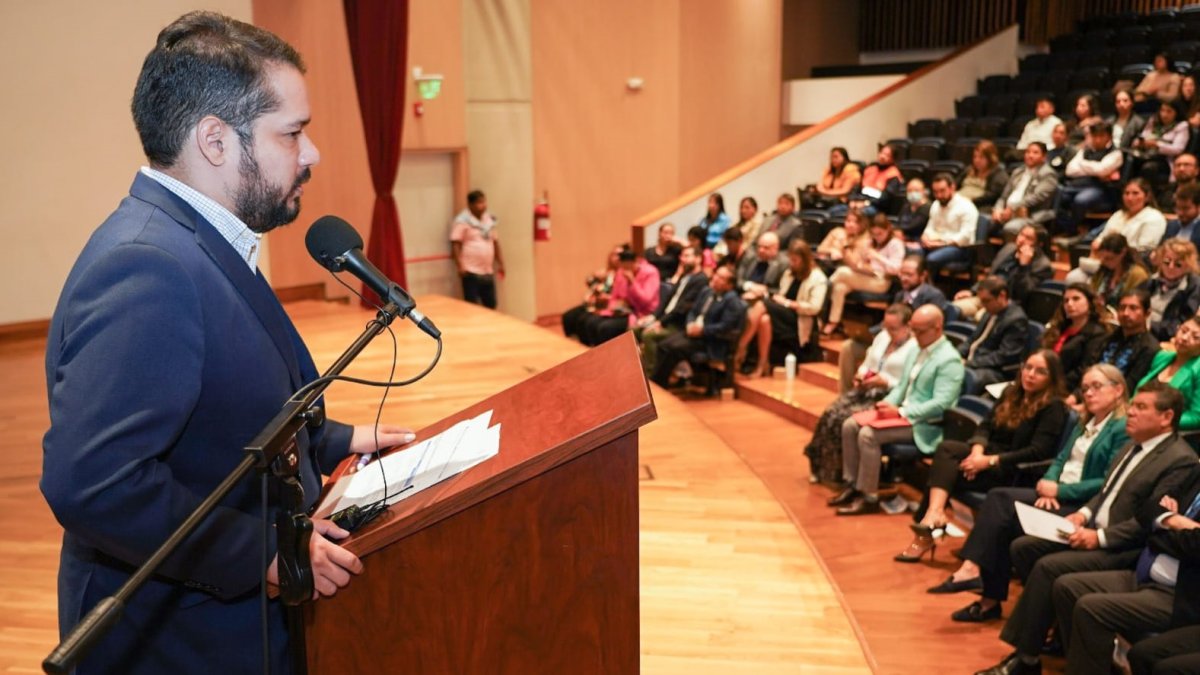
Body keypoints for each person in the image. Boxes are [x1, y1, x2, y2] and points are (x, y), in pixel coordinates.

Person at [40, 12, 417, 674]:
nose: (312, 153)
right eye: (293, 132)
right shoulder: (147, 266)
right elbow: (95, 482)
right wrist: (262, 552)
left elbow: (224, 409)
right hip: (180, 647)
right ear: (215, 140)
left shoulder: (198, 238)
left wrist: (338, 441)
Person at [974, 381, 1197, 675]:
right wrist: (1082, 514)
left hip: (1123, 546)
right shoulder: (1133, 444)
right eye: (1133, 405)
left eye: (1141, 408)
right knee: (1024, 547)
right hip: (1099, 528)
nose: (1130, 412)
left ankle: (1026, 659)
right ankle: (1054, 638)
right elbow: (1108, 493)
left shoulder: (1179, 459)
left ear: (1166, 417)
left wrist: (1100, 537)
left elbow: (1146, 520)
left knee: (1049, 569)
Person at [928, 366, 1128, 623]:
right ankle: (985, 595)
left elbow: (1108, 481)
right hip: (1054, 493)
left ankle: (981, 587)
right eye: (1085, 387)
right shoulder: (1086, 421)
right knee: (999, 506)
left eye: (1097, 386)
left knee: (1000, 503)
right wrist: (1048, 480)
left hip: (1082, 504)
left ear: (1118, 389)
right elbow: (1060, 459)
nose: (1089, 393)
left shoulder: (1121, 428)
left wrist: (1060, 489)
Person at [895, 350, 1068, 564]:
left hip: (1012, 468)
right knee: (947, 449)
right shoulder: (1011, 392)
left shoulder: (1054, 407)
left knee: (943, 475)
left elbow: (1037, 451)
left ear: (1052, 377)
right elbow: (985, 426)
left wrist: (989, 461)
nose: (1030, 374)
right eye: (1028, 367)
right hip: (986, 455)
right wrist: (977, 451)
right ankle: (935, 513)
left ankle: (925, 533)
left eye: (1040, 371)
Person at [1059, 467, 1200, 675]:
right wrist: (1175, 521)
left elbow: (1194, 546)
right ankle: (1093, 663)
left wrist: (1160, 525)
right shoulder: (1196, 472)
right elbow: (1147, 509)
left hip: (1179, 594)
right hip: (1145, 573)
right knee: (1067, 587)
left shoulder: (1183, 458)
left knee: (1090, 608)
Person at [830, 305, 964, 515]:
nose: (915, 336)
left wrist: (901, 412)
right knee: (850, 424)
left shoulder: (949, 360)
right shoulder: (918, 349)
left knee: (868, 435)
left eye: (920, 331)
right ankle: (852, 485)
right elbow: (902, 387)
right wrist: (888, 405)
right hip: (903, 414)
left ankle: (868, 495)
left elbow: (942, 404)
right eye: (913, 330)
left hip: (925, 424)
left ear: (937, 328)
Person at [806, 304, 916, 483]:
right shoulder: (882, 337)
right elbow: (868, 362)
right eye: (886, 327)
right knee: (831, 412)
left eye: (894, 329)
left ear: (907, 327)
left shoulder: (914, 348)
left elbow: (907, 382)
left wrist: (885, 381)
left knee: (844, 418)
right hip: (867, 389)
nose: (888, 332)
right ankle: (821, 468)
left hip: (888, 396)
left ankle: (845, 474)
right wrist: (861, 374)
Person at [650, 266, 747, 388]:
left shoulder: (732, 301)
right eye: (716, 274)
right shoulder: (707, 291)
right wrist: (690, 324)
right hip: (693, 332)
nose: (716, 279)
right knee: (663, 345)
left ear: (729, 285)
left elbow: (725, 327)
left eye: (721, 278)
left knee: (671, 348)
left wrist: (702, 331)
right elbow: (693, 312)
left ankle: (658, 384)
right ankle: (659, 382)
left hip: (710, 340)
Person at [751, 239, 828, 373]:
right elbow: (782, 293)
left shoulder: (818, 278)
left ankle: (740, 348)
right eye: (790, 259)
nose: (792, 263)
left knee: (761, 305)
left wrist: (788, 303)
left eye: (795, 260)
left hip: (801, 318)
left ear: (804, 260)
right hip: (784, 314)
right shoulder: (788, 273)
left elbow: (814, 308)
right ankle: (763, 363)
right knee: (764, 320)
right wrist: (779, 300)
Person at [823, 214, 906, 336]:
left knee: (842, 273)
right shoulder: (870, 242)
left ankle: (821, 295)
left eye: (880, 234)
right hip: (865, 275)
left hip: (881, 281)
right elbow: (858, 263)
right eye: (874, 234)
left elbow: (896, 269)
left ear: (888, 230)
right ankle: (833, 322)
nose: (877, 238)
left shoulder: (896, 244)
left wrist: (877, 257)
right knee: (840, 287)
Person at [953, 223, 1053, 321]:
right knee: (953, 308)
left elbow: (1023, 294)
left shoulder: (1043, 266)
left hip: (1005, 305)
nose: (1021, 239)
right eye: (1021, 234)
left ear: (1039, 244)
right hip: (984, 297)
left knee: (981, 318)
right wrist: (973, 291)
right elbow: (991, 276)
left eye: (1028, 238)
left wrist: (1024, 266)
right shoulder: (1008, 249)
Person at [637, 246, 707, 374]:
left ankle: (651, 376)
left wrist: (660, 323)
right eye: (682, 256)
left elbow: (681, 309)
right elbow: (666, 302)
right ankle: (636, 369)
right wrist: (654, 317)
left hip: (677, 324)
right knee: (634, 329)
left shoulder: (701, 280)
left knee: (649, 336)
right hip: (666, 319)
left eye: (687, 256)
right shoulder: (684, 276)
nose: (683, 259)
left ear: (698, 258)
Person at [958, 277, 1031, 395]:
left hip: (998, 371)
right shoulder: (989, 312)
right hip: (978, 361)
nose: (983, 305)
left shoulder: (1016, 320)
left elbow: (1003, 356)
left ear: (1002, 296)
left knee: (964, 375)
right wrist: (956, 355)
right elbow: (973, 339)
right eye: (981, 300)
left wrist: (970, 363)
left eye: (986, 300)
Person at [1080, 288, 1161, 391]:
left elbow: (1130, 387)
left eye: (1133, 308)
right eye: (1122, 308)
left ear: (1147, 313)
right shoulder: (1107, 338)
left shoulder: (1149, 348)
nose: (1126, 313)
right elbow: (1088, 368)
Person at [579, 248, 660, 346]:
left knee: (604, 328)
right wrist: (613, 306)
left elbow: (645, 300)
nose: (624, 270)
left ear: (635, 262)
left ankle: (612, 355)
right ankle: (595, 353)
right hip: (622, 309)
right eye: (623, 267)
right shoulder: (621, 271)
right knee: (591, 322)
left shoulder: (651, 272)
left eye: (627, 267)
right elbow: (615, 295)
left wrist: (632, 281)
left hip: (641, 312)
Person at [1055, 121, 1123, 236]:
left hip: (1102, 190)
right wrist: (1093, 168)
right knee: (1058, 195)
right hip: (1079, 184)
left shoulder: (1116, 153)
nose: (1097, 139)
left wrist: (1082, 164)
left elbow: (1102, 170)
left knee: (1081, 200)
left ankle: (1073, 232)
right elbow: (1070, 170)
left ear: (1109, 137)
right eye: (1094, 136)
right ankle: (1070, 229)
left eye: (1101, 136)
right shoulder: (1085, 151)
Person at [1042, 283, 1111, 392]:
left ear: (1090, 303)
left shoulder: (1097, 334)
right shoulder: (1060, 327)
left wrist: (1052, 384)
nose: (1069, 304)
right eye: (1066, 301)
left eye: (1076, 299)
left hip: (1065, 388)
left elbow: (1083, 370)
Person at [1136, 316, 1200, 431]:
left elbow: (1196, 417)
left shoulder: (1197, 370)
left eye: (1195, 337)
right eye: (1184, 331)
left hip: (1168, 433)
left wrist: (1159, 420)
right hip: (1137, 419)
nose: (1185, 338)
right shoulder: (1162, 357)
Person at [992, 142, 1059, 239]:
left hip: (1030, 215)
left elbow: (1036, 197)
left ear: (1044, 156)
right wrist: (998, 209)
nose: (1030, 155)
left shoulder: (1048, 174)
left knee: (1010, 228)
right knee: (984, 221)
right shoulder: (1018, 172)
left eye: (1035, 153)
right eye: (1028, 152)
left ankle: (1013, 254)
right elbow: (1003, 196)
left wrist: (1012, 208)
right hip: (1006, 212)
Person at [451, 189, 505, 309]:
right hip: (470, 271)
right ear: (470, 205)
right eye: (479, 202)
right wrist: (460, 265)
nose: (483, 205)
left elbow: (495, 242)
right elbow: (455, 243)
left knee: (491, 305)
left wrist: (500, 262)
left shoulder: (489, 220)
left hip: (487, 271)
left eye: (484, 202)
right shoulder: (462, 221)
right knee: (472, 306)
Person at [1141, 239, 1200, 343]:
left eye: (1178, 264)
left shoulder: (1194, 287)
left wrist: (1149, 326)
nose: (1171, 267)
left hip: (1162, 339)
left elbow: (1180, 325)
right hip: (1139, 329)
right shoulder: (1153, 280)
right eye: (1166, 262)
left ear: (1188, 265)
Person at [561, 244, 624, 340]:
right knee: (568, 316)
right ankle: (573, 342)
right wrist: (594, 277)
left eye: (619, 255)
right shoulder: (606, 272)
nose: (616, 258)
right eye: (614, 254)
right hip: (591, 303)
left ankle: (588, 347)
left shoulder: (622, 274)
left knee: (584, 321)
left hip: (603, 306)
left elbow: (616, 294)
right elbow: (589, 281)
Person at [921, 172, 979, 274]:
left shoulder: (966, 206)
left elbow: (965, 236)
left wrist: (942, 244)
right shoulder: (935, 204)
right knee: (914, 253)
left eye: (942, 191)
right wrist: (925, 237)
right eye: (935, 192)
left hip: (960, 248)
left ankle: (929, 287)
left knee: (931, 259)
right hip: (936, 243)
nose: (939, 195)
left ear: (952, 188)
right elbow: (930, 227)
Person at [1081, 234, 1151, 314]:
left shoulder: (1138, 274)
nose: (1103, 261)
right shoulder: (1102, 270)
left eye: (1109, 258)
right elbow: (1091, 291)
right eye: (1102, 258)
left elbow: (1136, 302)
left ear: (1122, 253)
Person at [1137, 100, 1191, 180]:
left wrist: (1157, 145)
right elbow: (1144, 135)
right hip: (1146, 154)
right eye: (1162, 110)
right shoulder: (1154, 121)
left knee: (1149, 167)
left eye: (1169, 111)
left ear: (1176, 113)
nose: (1164, 115)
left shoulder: (1182, 126)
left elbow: (1178, 149)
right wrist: (1140, 143)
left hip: (1165, 160)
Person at [848, 143, 902, 214]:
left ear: (893, 159)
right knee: (834, 211)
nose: (882, 156)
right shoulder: (870, 169)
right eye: (881, 153)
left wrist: (866, 203)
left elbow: (886, 198)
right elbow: (856, 188)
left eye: (887, 155)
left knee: (858, 214)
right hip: (859, 201)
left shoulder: (894, 175)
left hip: (876, 206)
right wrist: (852, 200)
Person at [958, 139, 1009, 208]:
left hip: (978, 206)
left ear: (990, 158)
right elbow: (955, 184)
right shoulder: (969, 169)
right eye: (975, 157)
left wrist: (970, 201)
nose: (977, 160)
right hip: (958, 202)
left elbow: (992, 196)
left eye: (981, 157)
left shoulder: (999, 175)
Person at [1163, 182, 1200, 249]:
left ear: (1198, 207)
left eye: (1185, 208)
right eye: (1178, 208)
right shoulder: (1172, 225)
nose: (1180, 213)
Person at [897, 177, 932, 242]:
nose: (912, 193)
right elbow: (899, 223)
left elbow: (914, 227)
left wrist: (898, 230)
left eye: (916, 190)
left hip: (920, 241)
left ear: (923, 191)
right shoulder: (906, 206)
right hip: (903, 238)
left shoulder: (928, 207)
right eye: (909, 191)